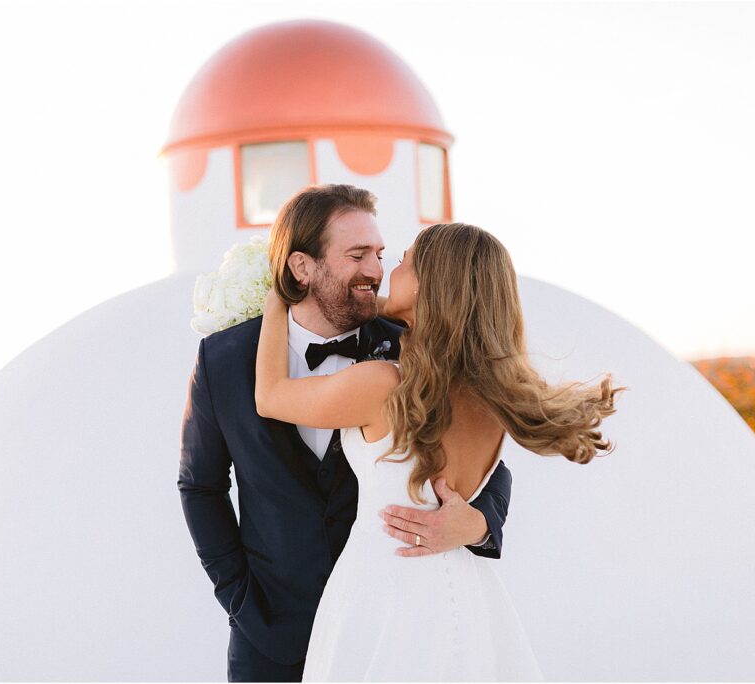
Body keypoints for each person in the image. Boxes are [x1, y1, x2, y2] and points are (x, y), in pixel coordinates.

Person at [254, 221, 621, 681]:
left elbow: (270, 397)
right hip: (464, 592)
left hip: (384, 593)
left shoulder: (384, 386)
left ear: (432, 283)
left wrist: (279, 297)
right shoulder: (494, 395)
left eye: (406, 259)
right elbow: (415, 311)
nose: (391, 267)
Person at [179, 185, 514, 682]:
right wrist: (239, 597)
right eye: (357, 255)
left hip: (393, 627)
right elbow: (200, 486)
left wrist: (479, 527)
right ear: (302, 267)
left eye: (380, 255)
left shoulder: (415, 350)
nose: (376, 270)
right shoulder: (224, 359)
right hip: (269, 638)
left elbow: (490, 468)